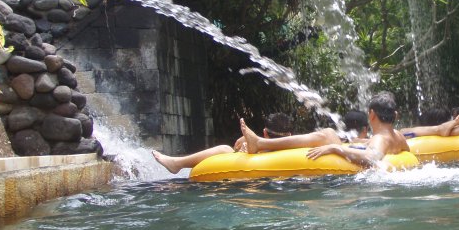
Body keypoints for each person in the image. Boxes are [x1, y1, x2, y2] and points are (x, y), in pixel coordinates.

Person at [242, 91, 410, 167]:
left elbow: (372, 157)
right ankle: (261, 143)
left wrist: (334, 147)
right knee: (329, 134)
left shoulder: (380, 139)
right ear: (395, 115)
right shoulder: (398, 136)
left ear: (372, 115)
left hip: (348, 181)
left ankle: (261, 143)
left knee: (327, 135)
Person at [151, 112, 293, 174]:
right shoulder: (297, 147)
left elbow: (237, 147)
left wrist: (247, 150)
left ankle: (178, 164)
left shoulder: (263, 152)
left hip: (249, 185)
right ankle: (176, 164)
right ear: (290, 135)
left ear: (265, 133)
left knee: (225, 149)